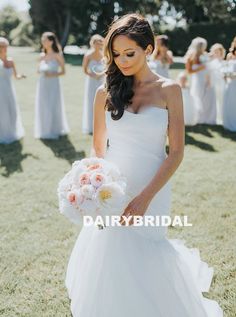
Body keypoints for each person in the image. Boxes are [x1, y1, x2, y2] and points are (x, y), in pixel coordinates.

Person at [65, 14, 223, 317]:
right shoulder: (104, 92)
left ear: (148, 49)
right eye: (116, 54)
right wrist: (92, 190)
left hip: (153, 187)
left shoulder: (170, 90)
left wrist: (145, 198)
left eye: (130, 53)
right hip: (112, 188)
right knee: (111, 253)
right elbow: (99, 149)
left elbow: (175, 152)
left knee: (147, 249)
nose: (122, 61)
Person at [34, 32, 69, 139]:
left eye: (45, 40)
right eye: (42, 40)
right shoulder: (42, 55)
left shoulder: (57, 54)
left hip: (53, 84)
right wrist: (41, 70)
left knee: (53, 104)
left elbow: (63, 72)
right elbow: (37, 71)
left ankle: (55, 128)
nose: (43, 42)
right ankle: (44, 129)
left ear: (51, 41)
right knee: (43, 105)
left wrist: (53, 74)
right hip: (42, 84)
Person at [185, 37, 216, 124]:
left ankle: (207, 118)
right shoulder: (190, 56)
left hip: (207, 79)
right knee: (197, 97)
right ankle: (198, 118)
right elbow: (189, 71)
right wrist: (200, 68)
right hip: (197, 80)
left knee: (208, 98)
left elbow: (209, 67)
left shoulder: (205, 55)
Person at [0, 37, 25, 144]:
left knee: (12, 112)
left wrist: (21, 76)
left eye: (5, 46)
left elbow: (16, 75)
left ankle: (12, 132)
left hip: (9, 90)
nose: (4, 48)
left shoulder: (10, 61)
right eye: (1, 46)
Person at [82, 34, 105, 135]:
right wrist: (92, 75)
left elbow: (107, 68)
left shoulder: (104, 55)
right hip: (91, 81)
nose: (98, 44)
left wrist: (101, 75)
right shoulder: (88, 55)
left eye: (100, 42)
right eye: (96, 42)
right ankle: (91, 126)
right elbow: (84, 69)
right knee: (91, 101)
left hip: (101, 80)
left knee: (102, 102)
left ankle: (102, 125)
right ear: (92, 43)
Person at [209, 43, 226, 124]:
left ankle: (222, 117)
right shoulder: (211, 62)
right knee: (214, 100)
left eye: (217, 51)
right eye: (214, 51)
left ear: (221, 52)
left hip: (222, 83)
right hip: (213, 83)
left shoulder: (224, 62)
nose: (216, 53)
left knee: (222, 100)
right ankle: (215, 117)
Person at [222, 37, 236, 131]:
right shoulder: (230, 55)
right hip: (230, 83)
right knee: (230, 103)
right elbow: (225, 68)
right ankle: (230, 122)